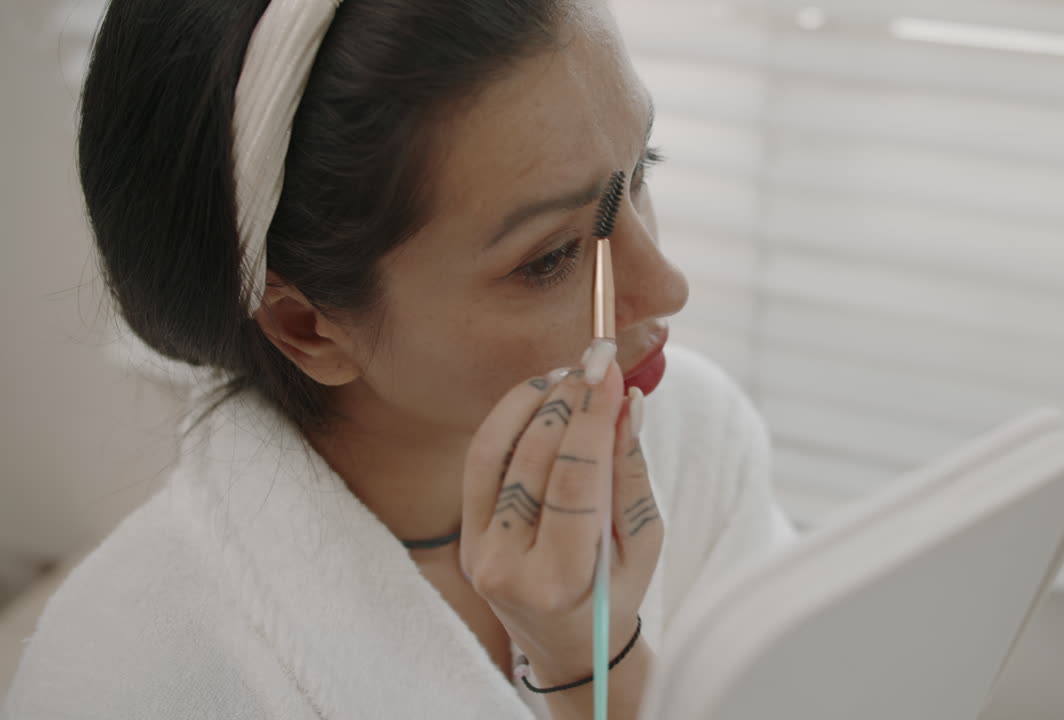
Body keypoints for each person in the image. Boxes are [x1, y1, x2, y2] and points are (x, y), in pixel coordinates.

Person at [1, 0, 795, 718]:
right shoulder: (129, 675)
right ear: (306, 326)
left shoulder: (697, 438)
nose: (666, 287)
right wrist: (589, 673)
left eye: (641, 169)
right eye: (551, 257)